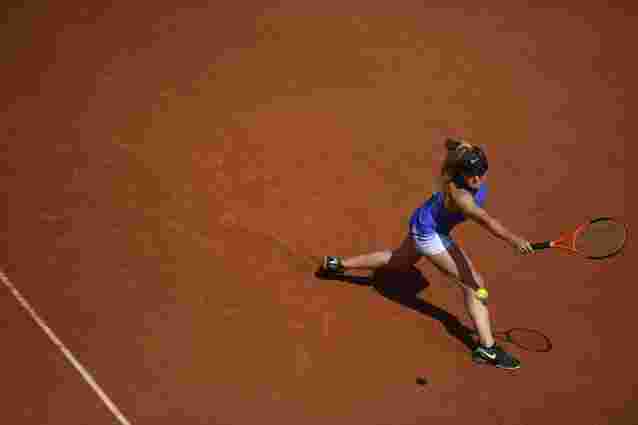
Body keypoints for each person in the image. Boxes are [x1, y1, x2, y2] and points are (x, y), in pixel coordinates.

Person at [319, 138, 534, 370]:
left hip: (423, 219)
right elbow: (487, 221)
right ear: (461, 172)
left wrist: (460, 146)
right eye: (471, 174)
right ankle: (488, 349)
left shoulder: (460, 163)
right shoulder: (462, 198)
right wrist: (515, 240)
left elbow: (458, 145)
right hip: (430, 234)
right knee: (474, 284)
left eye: (481, 173)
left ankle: (339, 264)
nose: (477, 179)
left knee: (399, 261)